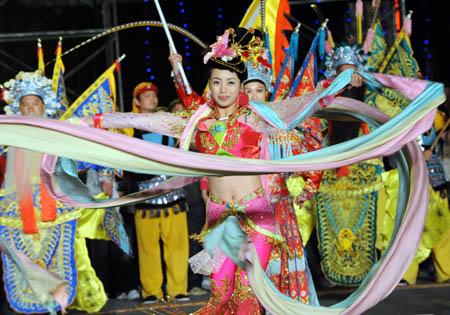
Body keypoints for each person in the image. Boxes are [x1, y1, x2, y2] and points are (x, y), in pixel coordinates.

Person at [83, 27, 323, 313]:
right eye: (217, 82)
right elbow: (144, 121)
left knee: (247, 295)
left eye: (231, 83)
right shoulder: (196, 121)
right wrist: (92, 121)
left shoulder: (257, 118)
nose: (223, 89)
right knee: (221, 297)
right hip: (220, 217)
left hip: (256, 216)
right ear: (208, 85)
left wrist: (339, 83)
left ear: (240, 86)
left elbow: (308, 103)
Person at [124, 82, 190, 304]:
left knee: (178, 246)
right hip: (145, 196)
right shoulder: (128, 128)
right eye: (146, 96)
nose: (152, 99)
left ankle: (178, 288)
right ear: (137, 102)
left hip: (173, 194)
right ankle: (151, 291)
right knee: (147, 248)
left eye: (154, 95)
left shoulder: (168, 124)